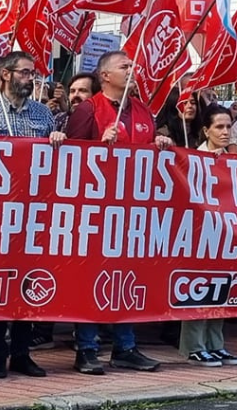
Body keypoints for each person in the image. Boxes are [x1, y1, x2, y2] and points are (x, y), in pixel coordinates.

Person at [65, 50, 168, 375]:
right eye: (125, 66)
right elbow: (70, 158)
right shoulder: (87, 109)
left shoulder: (142, 110)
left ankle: (125, 346)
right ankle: (87, 348)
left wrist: (160, 145)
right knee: (88, 279)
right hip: (95, 212)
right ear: (105, 76)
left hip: (133, 212)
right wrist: (97, 146)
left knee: (128, 279)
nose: (132, 69)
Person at [0, 52, 63, 380]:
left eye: (32, 74)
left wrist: (56, 142)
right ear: (6, 75)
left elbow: (54, 165)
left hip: (34, 212)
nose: (30, 79)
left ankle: (22, 353)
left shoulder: (42, 115)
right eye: (24, 73)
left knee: (27, 282)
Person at [181, 105, 237, 367]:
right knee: (199, 287)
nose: (225, 131)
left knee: (222, 286)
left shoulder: (235, 160)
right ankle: (194, 346)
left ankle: (216, 344)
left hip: (226, 232)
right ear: (206, 130)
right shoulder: (193, 158)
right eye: (219, 127)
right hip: (200, 233)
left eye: (229, 126)